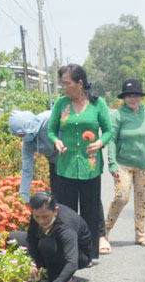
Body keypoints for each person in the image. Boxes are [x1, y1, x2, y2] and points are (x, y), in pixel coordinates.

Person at [47, 64, 114, 259]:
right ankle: (69, 253)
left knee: (90, 210)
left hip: (90, 166)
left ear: (80, 83)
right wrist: (57, 141)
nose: (64, 88)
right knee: (66, 212)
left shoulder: (97, 104)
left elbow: (109, 130)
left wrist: (100, 143)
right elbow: (51, 131)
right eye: (62, 84)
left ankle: (88, 253)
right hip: (65, 165)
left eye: (67, 83)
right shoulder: (61, 104)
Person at [104, 78, 145, 248]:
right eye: (129, 96)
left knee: (142, 201)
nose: (132, 99)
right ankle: (105, 230)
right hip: (123, 164)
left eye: (136, 95)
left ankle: (140, 235)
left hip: (144, 165)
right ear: (124, 98)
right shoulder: (118, 115)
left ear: (141, 97)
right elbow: (111, 140)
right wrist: (112, 163)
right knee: (122, 197)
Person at [13, 192, 94, 282]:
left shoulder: (66, 227)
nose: (41, 221)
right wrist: (31, 263)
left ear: (56, 211)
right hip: (54, 245)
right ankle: (44, 269)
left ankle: (57, 276)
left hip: (79, 255)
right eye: (37, 217)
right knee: (12, 237)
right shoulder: (39, 214)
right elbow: (31, 239)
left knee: (46, 244)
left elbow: (72, 262)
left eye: (45, 217)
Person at [9, 109, 57, 201]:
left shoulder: (49, 119)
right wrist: (24, 198)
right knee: (58, 197)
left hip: (70, 159)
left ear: (29, 128)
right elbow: (27, 169)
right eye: (19, 136)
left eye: (23, 135)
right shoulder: (28, 142)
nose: (22, 138)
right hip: (54, 164)